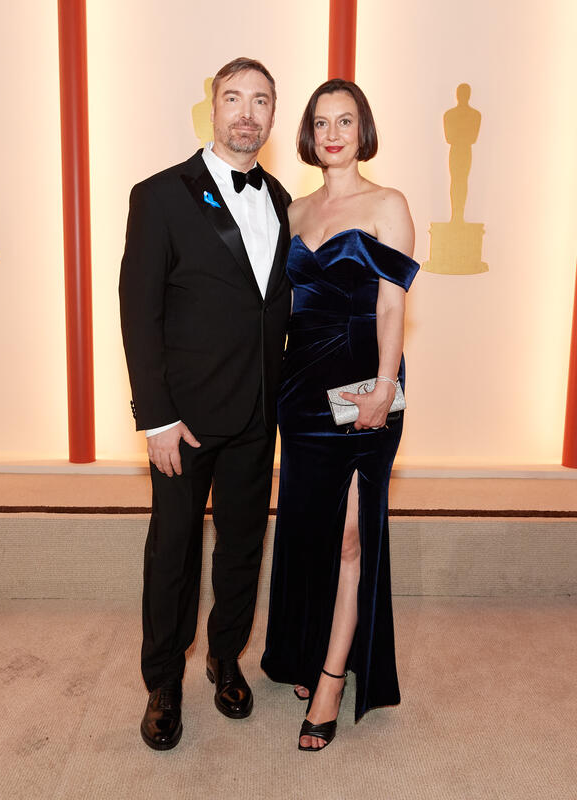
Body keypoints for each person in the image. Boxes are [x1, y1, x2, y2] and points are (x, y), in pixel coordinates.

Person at [119, 57, 291, 751]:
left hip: (258, 415)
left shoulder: (283, 200)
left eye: (261, 101)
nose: (247, 112)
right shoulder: (160, 195)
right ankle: (163, 681)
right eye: (234, 98)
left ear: (272, 116)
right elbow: (139, 311)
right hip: (182, 423)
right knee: (174, 554)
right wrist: (156, 417)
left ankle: (225, 661)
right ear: (211, 108)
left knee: (244, 550)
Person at [260, 79, 418, 751]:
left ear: (362, 130)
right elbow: (278, 310)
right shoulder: (293, 212)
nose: (332, 132)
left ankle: (332, 678)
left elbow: (390, 306)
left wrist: (383, 386)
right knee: (307, 529)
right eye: (321, 121)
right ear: (308, 133)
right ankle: (310, 644)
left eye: (345, 120)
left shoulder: (388, 203)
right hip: (301, 391)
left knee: (354, 535)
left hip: (363, 382)